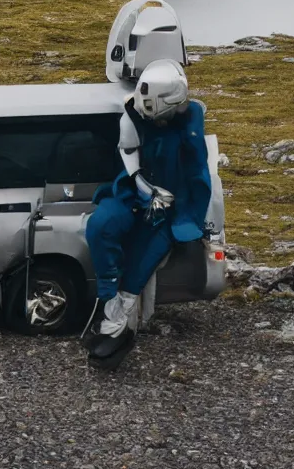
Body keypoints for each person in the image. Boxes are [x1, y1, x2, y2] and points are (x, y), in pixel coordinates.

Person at [84, 58, 212, 370]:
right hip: (133, 190)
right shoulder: (132, 113)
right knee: (101, 225)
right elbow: (128, 151)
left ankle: (118, 323)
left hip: (172, 205)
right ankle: (109, 299)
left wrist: (189, 213)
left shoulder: (191, 120)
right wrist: (144, 187)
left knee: (145, 253)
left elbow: (198, 172)